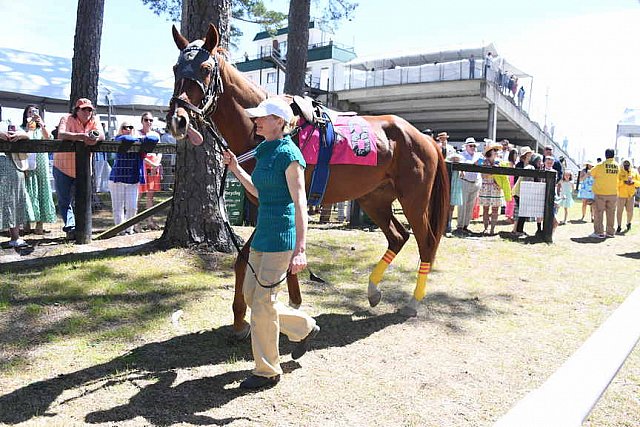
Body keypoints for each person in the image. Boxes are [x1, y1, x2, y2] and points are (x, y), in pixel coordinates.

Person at [222, 98, 319, 390]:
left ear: (279, 121)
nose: (257, 121)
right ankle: (303, 327)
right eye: (257, 118)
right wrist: (236, 168)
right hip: (262, 234)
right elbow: (259, 191)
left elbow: (300, 202)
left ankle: (267, 370)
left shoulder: (290, 154)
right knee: (252, 296)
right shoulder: (265, 150)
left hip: (281, 238)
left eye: (263, 118)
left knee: (262, 303)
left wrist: (301, 248)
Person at [54, 98, 104, 239]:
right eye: (84, 109)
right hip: (62, 166)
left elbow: (102, 135)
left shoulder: (95, 121)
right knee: (64, 200)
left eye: (90, 109)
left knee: (83, 198)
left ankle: (82, 229)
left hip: (83, 169)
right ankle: (71, 228)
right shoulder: (66, 118)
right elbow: (61, 134)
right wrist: (81, 137)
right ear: (77, 110)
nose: (87, 112)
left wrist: (94, 138)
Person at [20, 105, 56, 235]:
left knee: (42, 189)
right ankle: (27, 222)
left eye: (34, 112)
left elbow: (49, 138)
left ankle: (40, 223)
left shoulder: (41, 128)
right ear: (25, 114)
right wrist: (28, 128)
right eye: (29, 112)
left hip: (41, 162)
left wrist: (42, 124)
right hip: (26, 162)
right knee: (27, 190)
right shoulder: (21, 128)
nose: (32, 114)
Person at [109, 121, 145, 235]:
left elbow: (154, 138)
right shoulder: (119, 139)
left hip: (133, 179)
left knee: (132, 207)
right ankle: (119, 230)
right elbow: (125, 139)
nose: (128, 129)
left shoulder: (138, 141)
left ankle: (129, 229)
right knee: (118, 207)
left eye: (131, 127)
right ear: (121, 129)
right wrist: (139, 140)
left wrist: (139, 140)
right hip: (117, 178)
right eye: (125, 127)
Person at [0, 120, 30, 248]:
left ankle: (15, 236)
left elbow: (27, 135)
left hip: (10, 164)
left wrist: (18, 136)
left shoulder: (7, 123)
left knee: (13, 198)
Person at [478, 142, 511, 235]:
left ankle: (492, 229)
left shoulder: (500, 162)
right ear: (490, 151)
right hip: (486, 187)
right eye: (495, 150)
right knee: (485, 209)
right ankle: (486, 228)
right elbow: (483, 175)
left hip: (496, 187)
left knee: (495, 209)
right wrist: (494, 171)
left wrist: (497, 171)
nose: (497, 152)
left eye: (497, 150)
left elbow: (507, 170)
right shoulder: (483, 161)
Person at [137, 112, 162, 229]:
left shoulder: (156, 134)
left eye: (151, 120)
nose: (149, 122)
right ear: (142, 121)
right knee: (138, 195)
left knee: (150, 196)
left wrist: (156, 164)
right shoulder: (137, 134)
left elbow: (160, 151)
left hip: (154, 165)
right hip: (142, 164)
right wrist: (151, 164)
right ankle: (135, 223)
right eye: (146, 120)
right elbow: (139, 153)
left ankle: (150, 221)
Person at [589, 148, 619, 238]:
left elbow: (592, 174)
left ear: (605, 155)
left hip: (600, 192)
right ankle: (610, 232)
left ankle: (599, 232)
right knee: (611, 213)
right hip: (613, 193)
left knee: (599, 212)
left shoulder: (600, 165)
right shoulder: (618, 166)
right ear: (613, 155)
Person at [456, 137, 482, 235]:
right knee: (462, 205)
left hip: (475, 182)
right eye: (471, 145)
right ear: (466, 146)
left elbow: (482, 164)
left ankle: (466, 225)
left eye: (474, 146)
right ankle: (459, 226)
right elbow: (462, 165)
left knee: (470, 206)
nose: (473, 147)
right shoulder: (461, 155)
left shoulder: (478, 155)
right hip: (465, 181)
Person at [616, 159, 640, 234]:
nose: (626, 165)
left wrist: (633, 182)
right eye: (625, 164)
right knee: (619, 211)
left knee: (630, 211)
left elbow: (639, 183)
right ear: (622, 164)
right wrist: (623, 182)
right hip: (621, 195)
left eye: (628, 164)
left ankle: (628, 223)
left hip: (631, 195)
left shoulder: (634, 172)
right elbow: (616, 183)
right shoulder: (619, 172)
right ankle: (619, 226)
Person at [446, 151, 463, 237]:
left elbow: (463, 176)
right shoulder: (448, 167)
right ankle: (446, 223)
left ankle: (449, 222)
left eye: (457, 160)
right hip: (449, 186)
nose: (456, 161)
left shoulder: (460, 168)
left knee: (452, 207)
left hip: (456, 187)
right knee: (447, 206)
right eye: (454, 159)